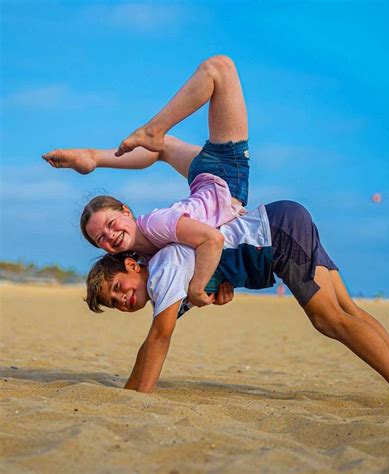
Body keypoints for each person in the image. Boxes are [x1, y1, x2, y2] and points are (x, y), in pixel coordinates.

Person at [86, 200, 389, 409]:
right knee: (347, 310)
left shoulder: (162, 266)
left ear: (132, 264)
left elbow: (159, 337)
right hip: (283, 220)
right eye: (113, 303)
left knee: (328, 319)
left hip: (276, 234)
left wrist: (135, 395)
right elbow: (168, 324)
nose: (121, 300)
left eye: (117, 288)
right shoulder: (165, 272)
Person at [43, 55, 249, 306]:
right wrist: (215, 291)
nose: (111, 235)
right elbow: (190, 271)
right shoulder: (150, 261)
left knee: (219, 68)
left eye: (110, 223)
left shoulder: (154, 226)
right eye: (102, 239)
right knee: (163, 149)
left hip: (224, 177)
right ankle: (94, 157)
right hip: (205, 181)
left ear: (126, 212)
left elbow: (209, 243)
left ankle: (147, 132)